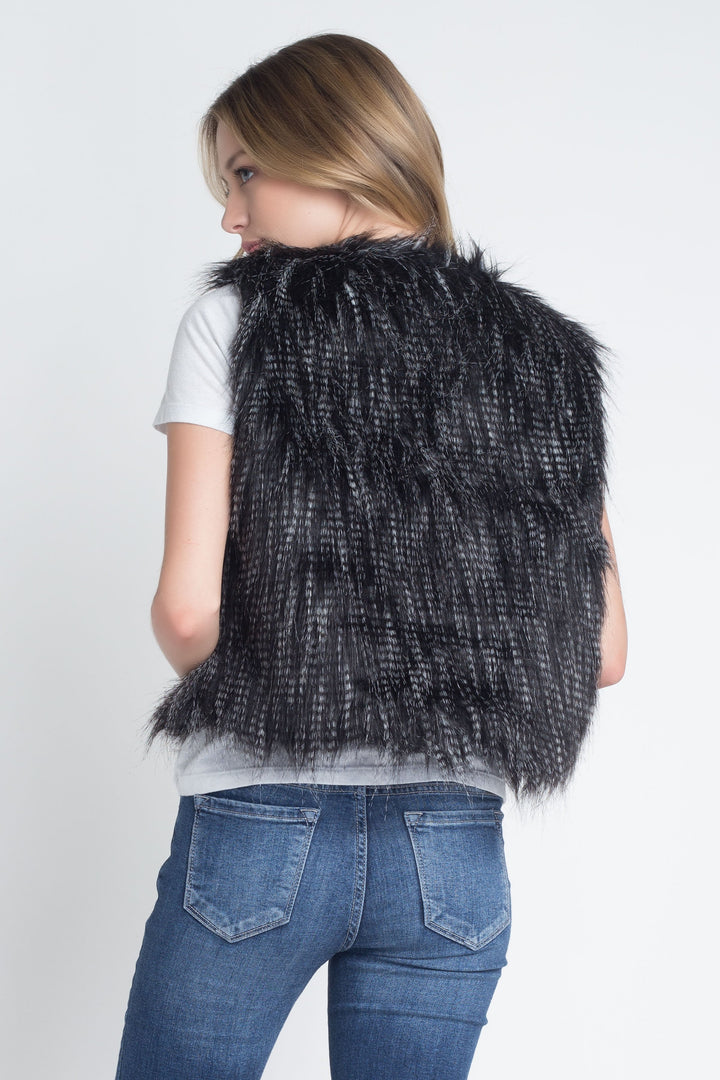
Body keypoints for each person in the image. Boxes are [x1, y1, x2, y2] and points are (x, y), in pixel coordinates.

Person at [114, 32, 628, 1080]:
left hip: (262, 827)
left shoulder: (235, 321)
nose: (230, 216)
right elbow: (604, 652)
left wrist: (287, 687)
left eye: (243, 173)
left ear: (336, 152)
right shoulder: (547, 357)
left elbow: (186, 611)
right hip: (452, 850)